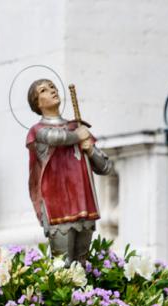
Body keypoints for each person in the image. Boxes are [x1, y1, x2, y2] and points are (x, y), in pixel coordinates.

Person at [24, 78, 112, 263]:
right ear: (37, 103)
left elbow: (105, 167)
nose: (52, 90)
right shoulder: (37, 131)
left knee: (81, 267)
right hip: (57, 205)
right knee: (61, 268)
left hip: (83, 204)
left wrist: (89, 149)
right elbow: (55, 138)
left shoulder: (76, 127)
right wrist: (77, 136)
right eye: (44, 90)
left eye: (53, 87)